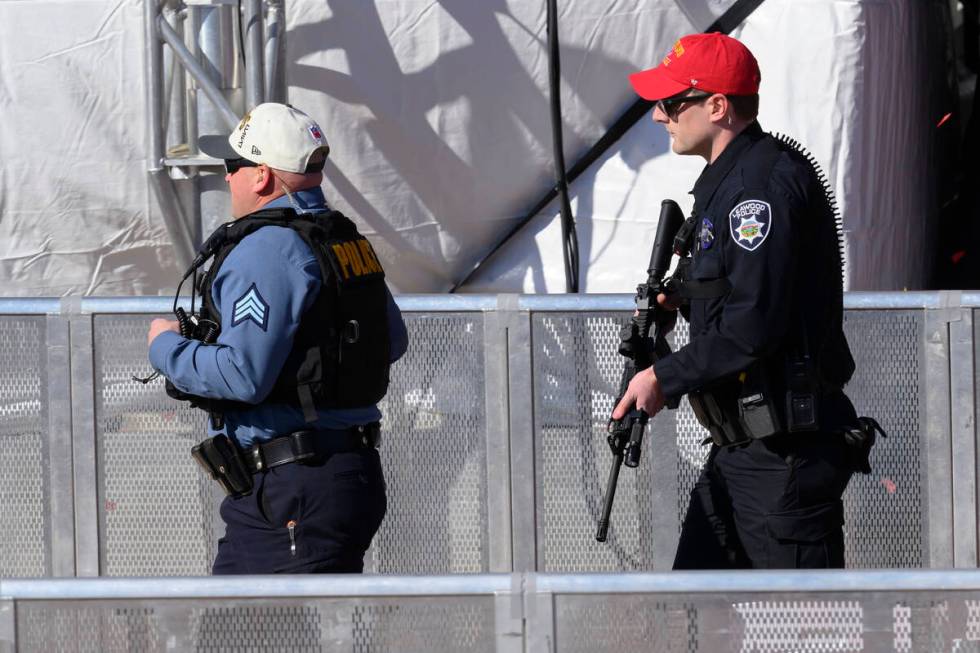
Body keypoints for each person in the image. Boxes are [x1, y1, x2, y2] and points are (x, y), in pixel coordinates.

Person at [612, 33, 868, 569]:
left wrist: (663, 377)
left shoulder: (761, 190)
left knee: (807, 636)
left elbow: (754, 327)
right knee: (698, 620)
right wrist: (676, 297)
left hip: (783, 462)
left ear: (718, 106)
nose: (659, 117)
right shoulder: (726, 185)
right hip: (741, 455)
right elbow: (733, 292)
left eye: (671, 102)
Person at [147, 102, 408, 574]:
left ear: (262, 177)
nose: (227, 178)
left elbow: (242, 375)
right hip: (343, 475)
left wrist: (165, 347)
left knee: (240, 636)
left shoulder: (267, 249)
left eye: (233, 166)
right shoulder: (343, 238)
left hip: (294, 489)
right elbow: (394, 340)